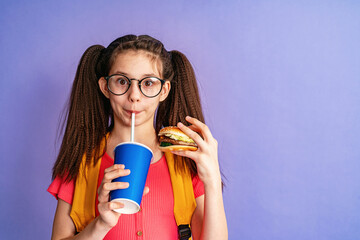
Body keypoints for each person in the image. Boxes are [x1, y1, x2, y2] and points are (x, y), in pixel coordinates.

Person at [48, 34, 228, 240]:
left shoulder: (186, 160)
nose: (134, 94)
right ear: (105, 87)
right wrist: (101, 224)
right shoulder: (81, 161)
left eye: (148, 83)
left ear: (164, 90)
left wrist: (213, 180)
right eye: (122, 81)